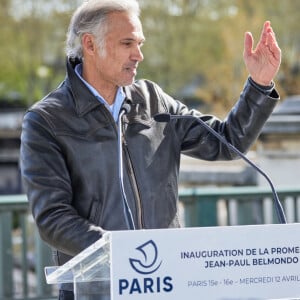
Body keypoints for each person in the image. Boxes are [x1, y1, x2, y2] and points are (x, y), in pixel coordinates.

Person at [20, 0, 281, 299]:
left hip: (167, 283)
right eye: (127, 42)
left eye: (140, 43)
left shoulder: (153, 100)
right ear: (90, 45)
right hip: (97, 290)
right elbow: (52, 217)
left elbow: (228, 142)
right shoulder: (46, 121)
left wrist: (259, 84)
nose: (139, 55)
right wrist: (122, 252)